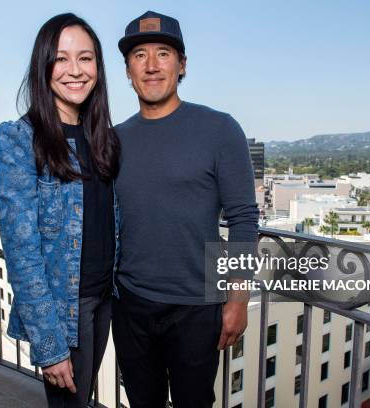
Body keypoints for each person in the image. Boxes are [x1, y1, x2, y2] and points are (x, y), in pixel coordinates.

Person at [112, 10, 260, 408]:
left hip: (198, 308)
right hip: (130, 304)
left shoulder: (219, 129)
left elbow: (244, 218)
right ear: (128, 70)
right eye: (140, 56)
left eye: (163, 53)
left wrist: (237, 298)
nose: (152, 65)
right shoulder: (114, 140)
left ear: (182, 65)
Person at [0, 13, 120, 408]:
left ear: (98, 67)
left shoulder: (103, 138)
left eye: (85, 58)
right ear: (43, 65)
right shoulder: (21, 139)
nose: (75, 71)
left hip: (105, 296)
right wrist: (50, 345)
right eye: (61, 59)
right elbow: (22, 253)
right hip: (66, 308)